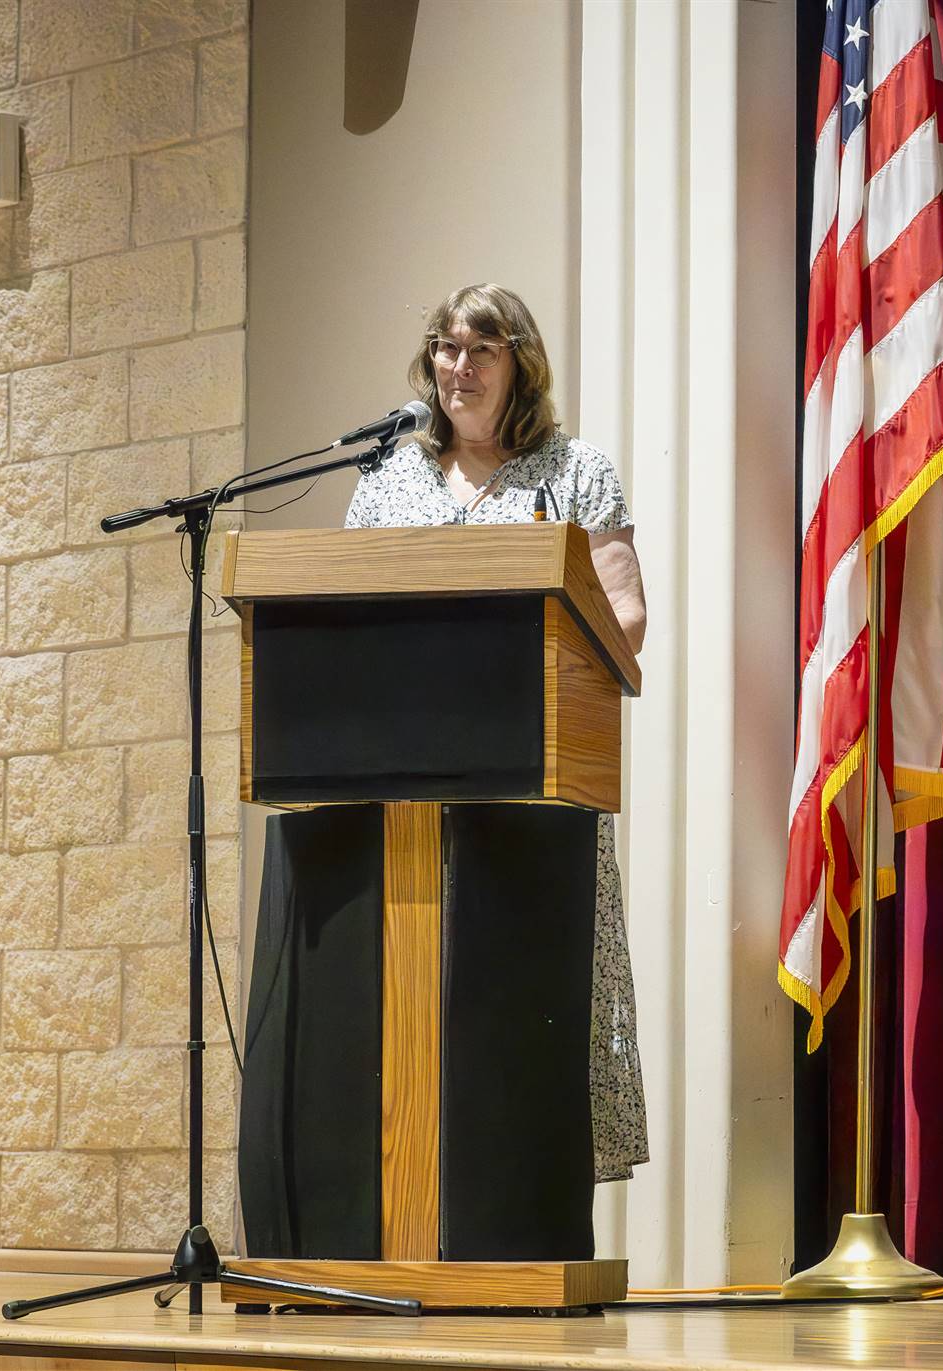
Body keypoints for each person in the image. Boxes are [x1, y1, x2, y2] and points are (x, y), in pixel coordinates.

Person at [346, 282, 651, 1189]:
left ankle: (516, 1207)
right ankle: (409, 1203)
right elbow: (347, 614)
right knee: (415, 1009)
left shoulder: (574, 471)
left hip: (536, 778)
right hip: (406, 783)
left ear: (521, 363)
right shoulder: (386, 475)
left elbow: (625, 619)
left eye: (481, 348)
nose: (459, 366)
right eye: (445, 347)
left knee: (515, 1011)